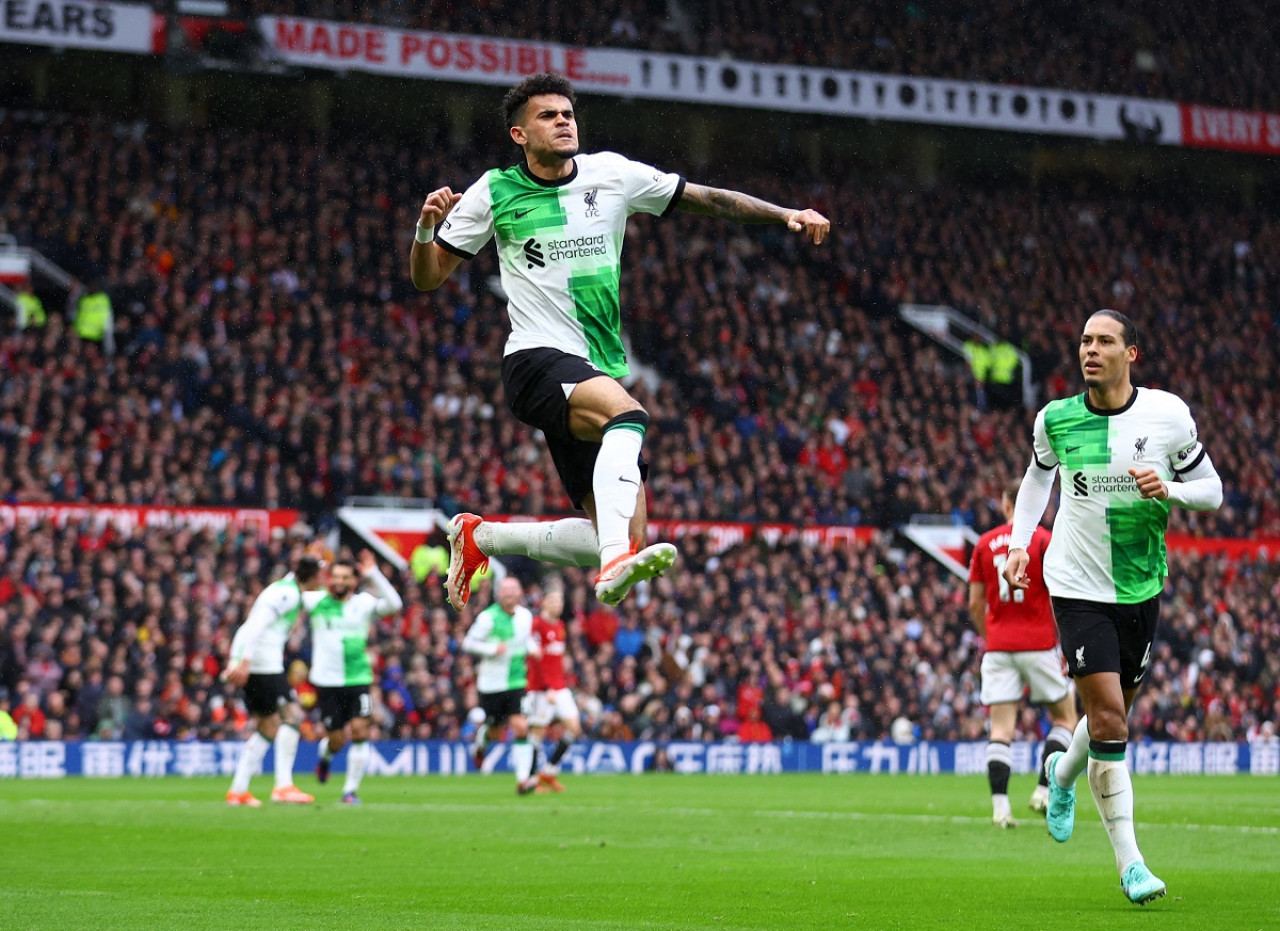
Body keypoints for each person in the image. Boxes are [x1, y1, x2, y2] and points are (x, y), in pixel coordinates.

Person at [409, 71, 830, 610]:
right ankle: (612, 565)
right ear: (519, 135)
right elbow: (427, 277)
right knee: (627, 416)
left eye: (568, 113)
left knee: (627, 532)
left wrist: (785, 212)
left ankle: (481, 537)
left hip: (594, 367)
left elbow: (709, 199)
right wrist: (425, 230)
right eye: (548, 115)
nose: (563, 121)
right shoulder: (493, 191)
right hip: (535, 359)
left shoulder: (612, 174)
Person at [1003, 309, 1222, 906]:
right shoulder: (1057, 419)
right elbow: (1035, 480)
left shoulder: (1168, 416)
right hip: (1075, 586)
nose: (1090, 350)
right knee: (1108, 721)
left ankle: (1061, 775)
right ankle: (1132, 865)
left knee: (1108, 723)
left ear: (1133, 354)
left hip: (1140, 588)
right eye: (1084, 341)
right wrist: (1021, 545)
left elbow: (1213, 490)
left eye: (1104, 341)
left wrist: (1170, 488)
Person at [968, 479, 1076, 828]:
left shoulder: (984, 544)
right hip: (1039, 644)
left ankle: (1001, 809)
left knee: (1001, 730)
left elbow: (974, 603)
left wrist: (992, 636)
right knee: (1065, 719)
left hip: (999, 648)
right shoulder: (1044, 539)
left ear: (1006, 503)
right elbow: (1061, 593)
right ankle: (1043, 791)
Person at [224, 555, 324, 807]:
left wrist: (235, 659)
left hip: (257, 663)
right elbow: (255, 626)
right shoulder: (286, 594)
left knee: (268, 726)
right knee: (292, 715)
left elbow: (247, 626)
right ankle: (283, 786)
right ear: (312, 577)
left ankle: (238, 790)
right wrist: (242, 661)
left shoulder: (289, 590)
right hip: (263, 665)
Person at [307, 551, 403, 804]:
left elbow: (394, 604)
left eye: (345, 577)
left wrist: (374, 573)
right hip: (327, 682)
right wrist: (310, 565)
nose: (339, 581)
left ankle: (350, 791)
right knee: (336, 740)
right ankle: (326, 758)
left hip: (359, 679)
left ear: (353, 581)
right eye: (335, 576)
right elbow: (288, 591)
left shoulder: (363, 603)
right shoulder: (316, 601)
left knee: (360, 730)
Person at [462, 576, 539, 794]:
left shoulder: (525, 616)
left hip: (517, 681)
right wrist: (491, 650)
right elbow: (468, 643)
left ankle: (523, 779)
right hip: (492, 684)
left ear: (520, 593)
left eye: (513, 591)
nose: (510, 595)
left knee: (521, 727)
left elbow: (524, 639)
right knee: (495, 730)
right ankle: (480, 744)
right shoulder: (488, 618)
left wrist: (533, 648)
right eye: (506, 591)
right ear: (499, 594)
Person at [525, 587, 582, 793]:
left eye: (561, 601)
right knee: (537, 733)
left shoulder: (559, 625)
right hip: (542, 689)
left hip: (560, 687)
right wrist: (546, 687)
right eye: (555, 601)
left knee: (574, 728)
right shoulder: (536, 625)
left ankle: (548, 772)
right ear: (544, 602)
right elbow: (535, 660)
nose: (559, 605)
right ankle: (530, 779)